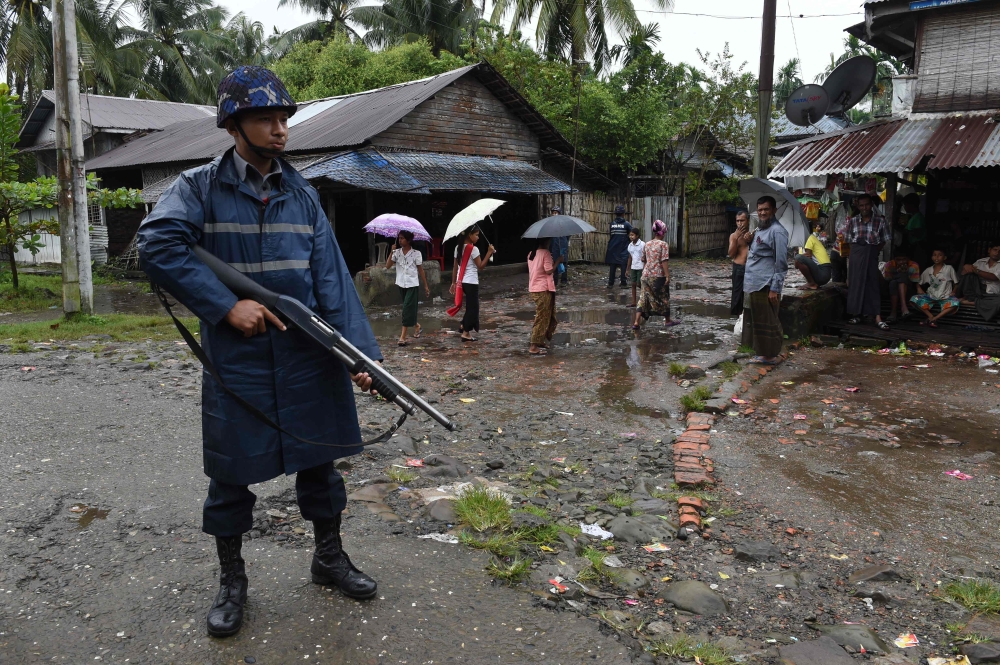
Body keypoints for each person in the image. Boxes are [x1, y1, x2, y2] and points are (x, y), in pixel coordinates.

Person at [137, 66, 381, 639]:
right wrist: (224, 307)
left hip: (307, 354)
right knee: (230, 474)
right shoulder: (197, 187)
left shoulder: (303, 194)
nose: (279, 130)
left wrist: (360, 357)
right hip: (238, 359)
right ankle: (232, 580)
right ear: (232, 125)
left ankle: (328, 558)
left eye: (283, 119)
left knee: (321, 463)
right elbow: (157, 244)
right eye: (264, 119)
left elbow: (333, 282)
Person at [740, 196, 788, 364]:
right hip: (755, 282)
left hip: (766, 283)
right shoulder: (760, 230)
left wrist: (775, 288)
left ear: (773, 210)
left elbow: (781, 262)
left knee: (769, 320)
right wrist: (750, 241)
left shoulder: (778, 231)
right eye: (760, 210)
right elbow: (758, 253)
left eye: (766, 209)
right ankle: (764, 354)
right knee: (760, 319)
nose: (762, 213)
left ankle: (771, 355)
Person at [844, 193, 891, 330]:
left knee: (872, 284)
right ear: (858, 206)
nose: (864, 207)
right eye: (861, 205)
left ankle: (877, 317)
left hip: (871, 254)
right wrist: (857, 253)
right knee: (856, 284)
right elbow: (848, 241)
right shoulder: (852, 221)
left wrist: (874, 251)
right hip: (856, 255)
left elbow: (884, 240)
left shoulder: (880, 221)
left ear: (871, 205)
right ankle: (856, 314)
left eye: (867, 204)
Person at [449, 225, 495, 342]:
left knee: (470, 306)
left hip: (461, 281)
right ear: (470, 235)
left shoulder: (457, 248)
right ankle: (466, 332)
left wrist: (453, 282)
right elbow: (480, 267)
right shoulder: (473, 249)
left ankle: (463, 325)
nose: (478, 237)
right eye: (476, 235)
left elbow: (455, 267)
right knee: (473, 308)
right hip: (471, 281)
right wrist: (489, 253)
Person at [385, 229, 430, 346]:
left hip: (412, 284)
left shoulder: (416, 254)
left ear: (409, 240)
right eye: (399, 238)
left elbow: (421, 270)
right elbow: (388, 266)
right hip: (401, 283)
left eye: (402, 238)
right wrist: (391, 252)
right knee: (408, 309)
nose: (400, 240)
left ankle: (403, 337)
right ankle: (417, 326)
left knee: (406, 309)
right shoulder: (397, 253)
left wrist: (425, 286)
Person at [632, 219, 676, 330]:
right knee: (664, 298)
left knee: (643, 298)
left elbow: (644, 260)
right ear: (663, 232)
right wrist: (667, 276)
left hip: (645, 275)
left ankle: (636, 322)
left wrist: (645, 271)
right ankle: (668, 320)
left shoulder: (647, 244)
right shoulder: (663, 245)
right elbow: (664, 261)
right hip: (658, 276)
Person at [527, 238, 563, 355]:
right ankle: (533, 345)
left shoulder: (531, 254)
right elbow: (548, 271)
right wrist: (558, 261)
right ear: (545, 242)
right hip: (543, 289)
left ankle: (540, 340)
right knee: (542, 317)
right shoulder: (545, 253)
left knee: (545, 315)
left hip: (534, 288)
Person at [910, 249, 960, 327]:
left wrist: (953, 291)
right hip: (931, 296)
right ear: (932, 257)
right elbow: (918, 282)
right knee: (914, 299)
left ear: (944, 258)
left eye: (940, 255)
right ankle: (931, 317)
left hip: (945, 296)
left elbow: (956, 283)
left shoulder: (949, 268)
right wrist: (918, 288)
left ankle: (935, 318)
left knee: (955, 302)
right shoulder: (928, 270)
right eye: (934, 255)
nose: (937, 257)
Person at [881, 252, 921, 322]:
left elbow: (914, 282)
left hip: (908, 291)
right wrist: (897, 272)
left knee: (903, 276)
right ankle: (903, 309)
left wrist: (905, 272)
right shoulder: (889, 265)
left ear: (908, 259)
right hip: (892, 291)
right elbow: (887, 280)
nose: (901, 262)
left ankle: (894, 313)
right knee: (893, 282)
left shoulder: (913, 265)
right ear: (894, 259)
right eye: (898, 260)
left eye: (904, 259)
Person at [793, 224, 833, 289]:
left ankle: (811, 283)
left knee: (798, 257)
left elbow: (808, 256)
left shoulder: (809, 237)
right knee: (798, 258)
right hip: (819, 272)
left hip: (823, 271)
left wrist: (796, 259)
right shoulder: (801, 244)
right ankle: (812, 282)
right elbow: (797, 265)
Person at [728, 210, 750, 314]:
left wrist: (750, 239)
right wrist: (736, 239)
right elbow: (731, 254)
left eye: (742, 220)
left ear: (748, 221)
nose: (740, 223)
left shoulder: (752, 234)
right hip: (738, 267)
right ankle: (738, 317)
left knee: (749, 294)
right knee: (737, 296)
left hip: (750, 268)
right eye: (738, 221)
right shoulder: (733, 236)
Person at [605, 204, 633, 288]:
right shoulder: (627, 224)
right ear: (623, 213)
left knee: (613, 266)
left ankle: (610, 283)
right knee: (623, 265)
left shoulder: (612, 224)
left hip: (612, 248)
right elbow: (632, 234)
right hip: (623, 248)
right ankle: (623, 283)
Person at [902, 193, 928, 269]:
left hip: (918, 248)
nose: (905, 207)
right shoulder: (913, 217)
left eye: (905, 205)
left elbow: (918, 232)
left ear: (912, 205)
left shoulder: (918, 217)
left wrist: (906, 231)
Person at [549, 205, 570, 287]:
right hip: (554, 245)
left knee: (564, 262)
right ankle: (555, 281)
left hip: (563, 244)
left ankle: (564, 281)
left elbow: (568, 235)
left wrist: (565, 242)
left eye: (556, 213)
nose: (554, 214)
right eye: (553, 213)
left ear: (559, 214)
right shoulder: (550, 224)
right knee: (555, 262)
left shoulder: (564, 224)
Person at [626, 228, 645, 308]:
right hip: (634, 267)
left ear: (637, 236)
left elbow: (646, 256)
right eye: (630, 235)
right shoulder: (630, 245)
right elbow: (630, 257)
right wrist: (627, 269)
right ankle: (634, 302)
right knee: (633, 284)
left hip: (641, 267)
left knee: (639, 284)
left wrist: (645, 266)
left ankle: (644, 299)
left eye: (633, 235)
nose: (631, 237)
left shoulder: (642, 244)